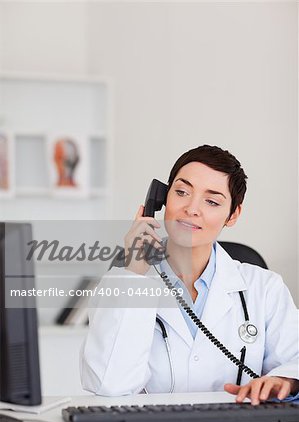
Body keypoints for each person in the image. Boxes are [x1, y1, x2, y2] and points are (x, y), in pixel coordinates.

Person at [80, 144, 299, 404]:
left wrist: (285, 380)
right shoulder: (124, 283)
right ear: (161, 198)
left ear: (233, 214)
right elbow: (108, 385)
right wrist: (134, 274)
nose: (191, 208)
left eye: (212, 201)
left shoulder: (264, 288)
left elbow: (294, 360)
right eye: (181, 192)